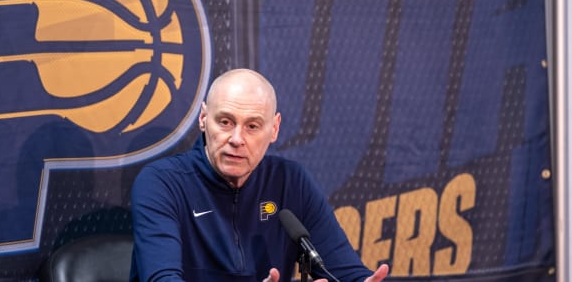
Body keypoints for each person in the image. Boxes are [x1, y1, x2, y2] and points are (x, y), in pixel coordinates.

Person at [130, 68, 389, 282]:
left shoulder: (291, 182)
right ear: (203, 118)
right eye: (225, 122)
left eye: (252, 126)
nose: (236, 139)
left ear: (274, 129)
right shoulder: (162, 183)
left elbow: (344, 271)